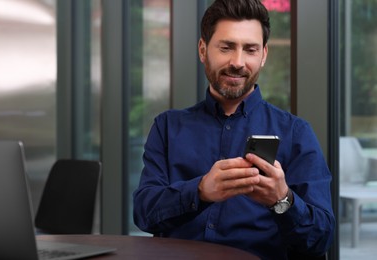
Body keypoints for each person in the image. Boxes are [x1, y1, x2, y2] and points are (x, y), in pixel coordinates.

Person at [133, 0, 335, 259]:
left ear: (263, 55)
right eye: (226, 47)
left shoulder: (296, 133)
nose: (238, 62)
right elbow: (143, 214)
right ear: (203, 50)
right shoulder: (167, 126)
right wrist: (200, 191)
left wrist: (282, 200)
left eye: (250, 49)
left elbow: (321, 238)